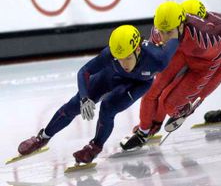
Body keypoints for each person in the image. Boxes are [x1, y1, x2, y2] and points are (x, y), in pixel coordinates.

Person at [17, 24, 180, 164]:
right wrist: (84, 98)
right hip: (110, 76)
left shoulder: (158, 59)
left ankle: (95, 146)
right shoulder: (110, 54)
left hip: (137, 83)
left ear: (137, 49)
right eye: (119, 58)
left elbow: (177, 35)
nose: (124, 63)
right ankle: (42, 138)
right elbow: (84, 72)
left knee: (108, 108)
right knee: (74, 106)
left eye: (127, 58)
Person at [120, 0, 221, 150]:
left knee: (170, 104)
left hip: (215, 60)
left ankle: (187, 108)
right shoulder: (162, 29)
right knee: (152, 90)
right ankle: (145, 130)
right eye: (162, 31)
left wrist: (195, 100)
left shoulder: (206, 34)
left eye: (169, 32)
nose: (163, 37)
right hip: (184, 51)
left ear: (183, 24)